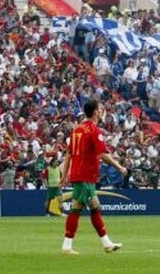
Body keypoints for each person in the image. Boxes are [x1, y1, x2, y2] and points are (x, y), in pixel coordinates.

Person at [59, 98, 126, 255]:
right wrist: (119, 166)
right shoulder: (94, 131)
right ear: (95, 111)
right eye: (101, 108)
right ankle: (106, 243)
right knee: (94, 207)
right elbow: (103, 154)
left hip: (78, 175)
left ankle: (68, 245)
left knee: (77, 208)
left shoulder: (77, 129)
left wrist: (65, 174)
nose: (102, 111)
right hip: (85, 176)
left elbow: (68, 154)